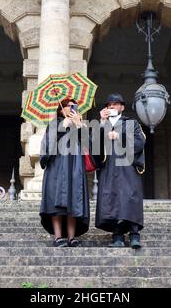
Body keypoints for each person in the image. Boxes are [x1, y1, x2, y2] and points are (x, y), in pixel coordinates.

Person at [93, 93, 146, 249]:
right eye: (109, 104)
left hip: (128, 167)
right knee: (112, 200)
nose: (112, 107)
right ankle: (117, 236)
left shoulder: (132, 123)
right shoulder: (102, 124)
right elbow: (94, 148)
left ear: (122, 107)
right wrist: (102, 124)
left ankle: (134, 235)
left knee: (130, 198)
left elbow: (139, 142)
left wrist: (120, 135)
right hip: (109, 168)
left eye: (116, 104)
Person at [39, 99, 90, 247]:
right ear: (61, 110)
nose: (73, 108)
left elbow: (88, 145)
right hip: (56, 167)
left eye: (75, 106)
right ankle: (58, 237)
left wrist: (79, 124)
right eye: (70, 106)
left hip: (75, 167)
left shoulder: (80, 124)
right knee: (56, 203)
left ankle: (72, 237)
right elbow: (47, 146)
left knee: (73, 201)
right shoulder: (55, 124)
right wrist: (62, 127)